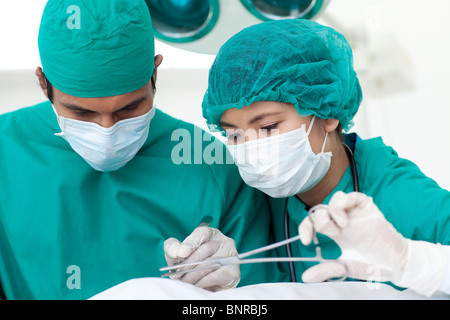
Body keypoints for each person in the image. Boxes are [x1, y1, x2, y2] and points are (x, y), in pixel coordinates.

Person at [0, 0, 280, 300]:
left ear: (155, 74)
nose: (107, 131)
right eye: (83, 114)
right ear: (43, 83)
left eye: (129, 108)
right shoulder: (6, 149)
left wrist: (229, 287)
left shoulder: (207, 159)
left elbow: (258, 297)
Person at [200, 18, 450, 297]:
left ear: (327, 113)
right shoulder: (256, 203)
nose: (252, 149)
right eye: (235, 136)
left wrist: (412, 262)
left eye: (268, 127)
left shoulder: (402, 194)